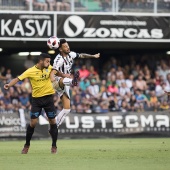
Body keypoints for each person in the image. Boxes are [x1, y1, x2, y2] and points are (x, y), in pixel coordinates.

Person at [4, 53, 58, 154]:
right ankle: (27, 145)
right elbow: (18, 78)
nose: (49, 63)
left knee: (53, 122)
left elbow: (58, 73)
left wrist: (67, 76)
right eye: (47, 61)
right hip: (36, 100)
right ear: (41, 61)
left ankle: (54, 146)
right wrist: (9, 84)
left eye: (49, 61)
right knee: (33, 123)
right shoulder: (30, 71)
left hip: (48, 99)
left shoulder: (50, 68)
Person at [50, 38, 100, 127]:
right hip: (58, 81)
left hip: (66, 83)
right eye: (65, 46)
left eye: (67, 45)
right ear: (60, 49)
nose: (67, 47)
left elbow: (82, 55)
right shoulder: (58, 59)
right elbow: (53, 72)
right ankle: (73, 81)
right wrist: (61, 76)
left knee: (67, 109)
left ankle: (54, 125)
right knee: (64, 80)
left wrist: (93, 56)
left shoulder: (71, 54)